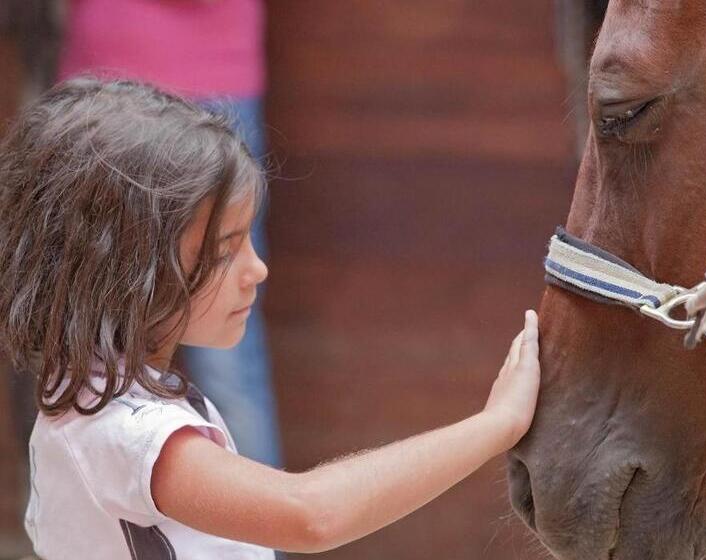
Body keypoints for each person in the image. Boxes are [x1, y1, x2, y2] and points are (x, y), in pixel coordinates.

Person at [0, 78, 541, 559]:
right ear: (124, 267)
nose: (256, 270)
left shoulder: (103, 397)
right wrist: (494, 425)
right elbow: (311, 515)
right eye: (223, 252)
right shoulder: (122, 433)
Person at [56, 0, 283, 467]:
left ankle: (255, 511)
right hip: (97, 87)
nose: (257, 267)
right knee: (83, 343)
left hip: (203, 86)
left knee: (226, 357)